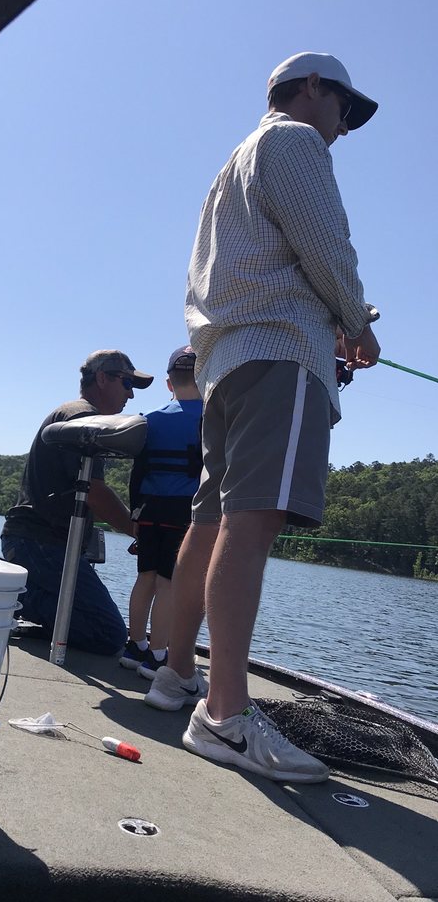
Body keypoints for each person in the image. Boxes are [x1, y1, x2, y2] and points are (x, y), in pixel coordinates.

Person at [145, 52, 381, 783]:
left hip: (226, 365)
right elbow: (325, 245)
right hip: (281, 356)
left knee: (210, 520)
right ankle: (223, 717)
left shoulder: (232, 166)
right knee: (251, 523)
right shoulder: (295, 141)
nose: (344, 128)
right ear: (311, 88)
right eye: (345, 107)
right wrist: (356, 324)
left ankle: (174, 674)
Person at [1, 349, 153, 655]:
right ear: (101, 378)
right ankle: (9, 598)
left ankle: (13, 593)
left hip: (43, 543)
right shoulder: (82, 420)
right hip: (41, 543)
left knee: (102, 626)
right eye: (127, 384)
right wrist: (140, 532)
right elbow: (96, 493)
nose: (131, 396)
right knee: (108, 634)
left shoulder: (80, 418)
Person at [119, 346, 203, 679]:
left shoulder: (147, 420)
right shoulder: (211, 420)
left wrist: (135, 515)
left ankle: (134, 645)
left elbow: (136, 473)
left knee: (146, 577)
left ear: (169, 384)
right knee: (170, 583)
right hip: (182, 511)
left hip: (148, 510)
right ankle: (157, 655)